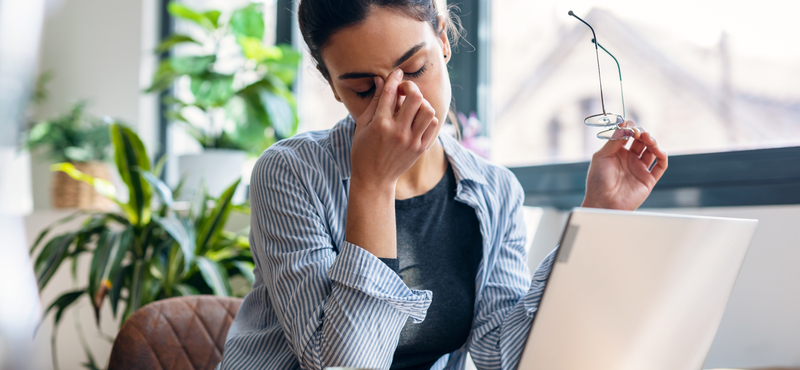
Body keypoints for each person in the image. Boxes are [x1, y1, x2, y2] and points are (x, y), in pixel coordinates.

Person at [219, 0, 668, 369]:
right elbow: (343, 365)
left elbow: (502, 354)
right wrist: (373, 187)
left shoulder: (495, 191)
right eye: (363, 90)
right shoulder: (290, 173)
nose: (401, 101)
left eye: (414, 69)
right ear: (333, 87)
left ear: (444, 40)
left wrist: (596, 216)